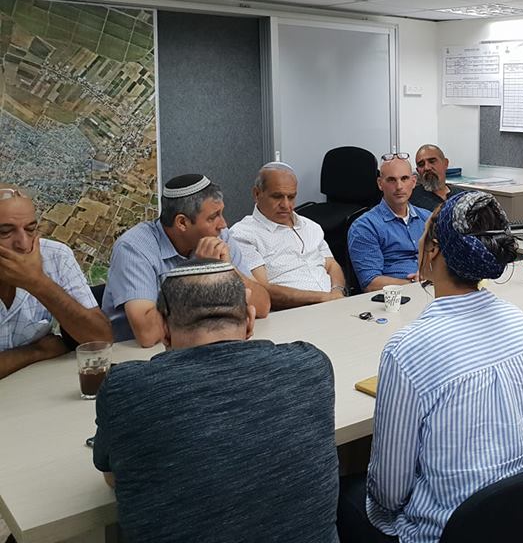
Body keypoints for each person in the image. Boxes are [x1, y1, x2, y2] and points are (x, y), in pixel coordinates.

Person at [337, 191, 523, 543]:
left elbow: (388, 494)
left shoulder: (408, 350)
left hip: (449, 531)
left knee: (341, 495)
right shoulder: (518, 320)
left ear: (433, 250)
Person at [93, 260, 338, 543]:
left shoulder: (126, 389)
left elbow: (112, 476)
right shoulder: (310, 365)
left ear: (163, 329)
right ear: (250, 320)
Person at [102, 174, 269, 346]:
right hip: (138, 353)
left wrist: (227, 269)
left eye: (221, 213)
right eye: (213, 217)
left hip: (201, 342)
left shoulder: (220, 236)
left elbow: (263, 306)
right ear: (182, 222)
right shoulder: (134, 247)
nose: (223, 224)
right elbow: (148, 335)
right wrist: (201, 274)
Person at [0, 186, 112, 379]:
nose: (24, 244)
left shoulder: (56, 256)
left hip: (39, 387)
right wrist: (37, 351)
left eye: (30, 229)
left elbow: (100, 340)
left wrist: (37, 283)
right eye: (5, 232)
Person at [231, 162, 349, 308]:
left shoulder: (311, 226)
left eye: (291, 197)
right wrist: (323, 298)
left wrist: (337, 291)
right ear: (257, 194)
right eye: (277, 196)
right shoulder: (243, 234)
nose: (286, 205)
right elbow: (262, 289)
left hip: (333, 304)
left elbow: (331, 265)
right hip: (292, 312)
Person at [348, 154, 430, 292]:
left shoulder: (428, 218)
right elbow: (370, 283)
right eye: (391, 180)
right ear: (380, 184)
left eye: (404, 178)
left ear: (414, 181)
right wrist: (414, 284)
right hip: (396, 296)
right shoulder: (364, 226)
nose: (399, 186)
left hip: (433, 289)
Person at [410, 144, 451, 212]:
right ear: (418, 171)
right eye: (421, 164)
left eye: (432, 161)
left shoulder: (462, 195)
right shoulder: (411, 199)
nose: (427, 168)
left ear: (445, 163)